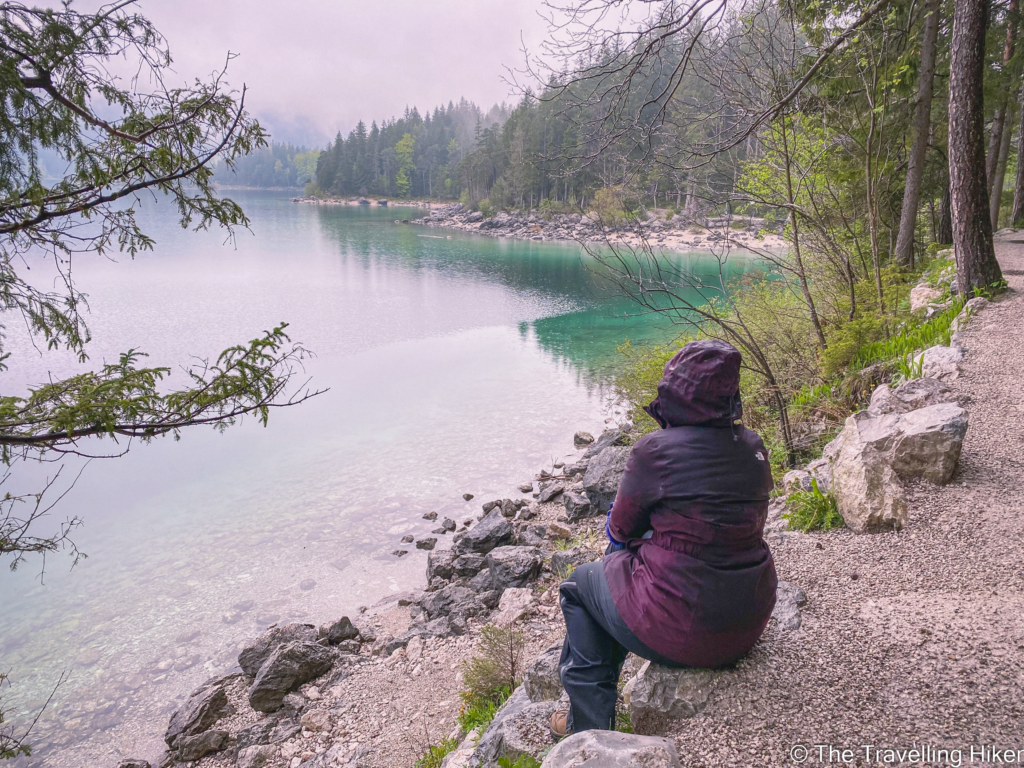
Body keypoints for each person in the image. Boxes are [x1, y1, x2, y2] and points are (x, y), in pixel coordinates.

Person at [550, 339, 777, 737]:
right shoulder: (753, 447)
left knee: (579, 585)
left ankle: (586, 725)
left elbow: (618, 531)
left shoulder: (655, 451)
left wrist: (632, 544)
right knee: (634, 560)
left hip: (684, 633)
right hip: (748, 621)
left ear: (677, 391)